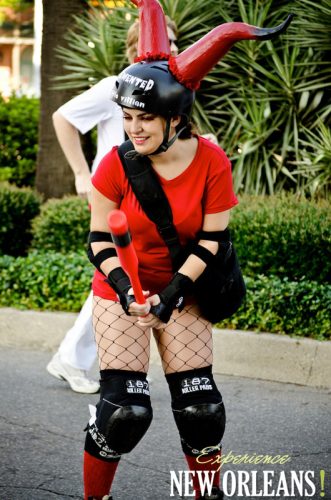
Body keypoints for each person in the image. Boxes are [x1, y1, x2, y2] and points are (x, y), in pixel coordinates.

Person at [84, 1, 292, 498]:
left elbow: (212, 241)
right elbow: (97, 239)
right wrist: (127, 291)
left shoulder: (213, 162)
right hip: (122, 294)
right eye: (128, 117)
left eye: (145, 119)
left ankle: (207, 494)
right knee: (124, 413)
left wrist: (172, 295)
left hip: (186, 287)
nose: (133, 129)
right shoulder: (116, 164)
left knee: (201, 409)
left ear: (175, 118)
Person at [46, 15, 179, 394]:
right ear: (135, 48)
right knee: (114, 276)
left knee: (122, 277)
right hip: (114, 195)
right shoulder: (114, 86)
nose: (168, 50)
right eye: (161, 42)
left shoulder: (168, 89)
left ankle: (83, 359)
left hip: (146, 201)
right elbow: (63, 118)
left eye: (173, 42)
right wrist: (80, 174)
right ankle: (73, 359)